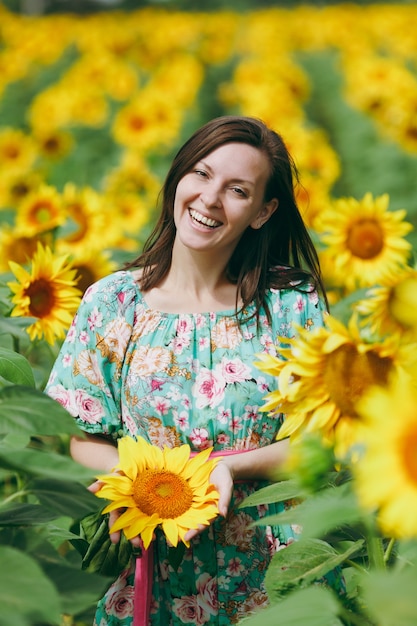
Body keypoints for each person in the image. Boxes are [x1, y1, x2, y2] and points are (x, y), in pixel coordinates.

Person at [45, 116, 338, 626]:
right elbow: (84, 433)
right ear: (178, 178)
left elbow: (323, 440)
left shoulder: (291, 305)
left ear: (264, 212)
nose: (209, 199)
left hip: (273, 569)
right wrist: (132, 489)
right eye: (201, 174)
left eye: (237, 190)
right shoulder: (115, 302)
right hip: (156, 565)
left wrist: (228, 467)